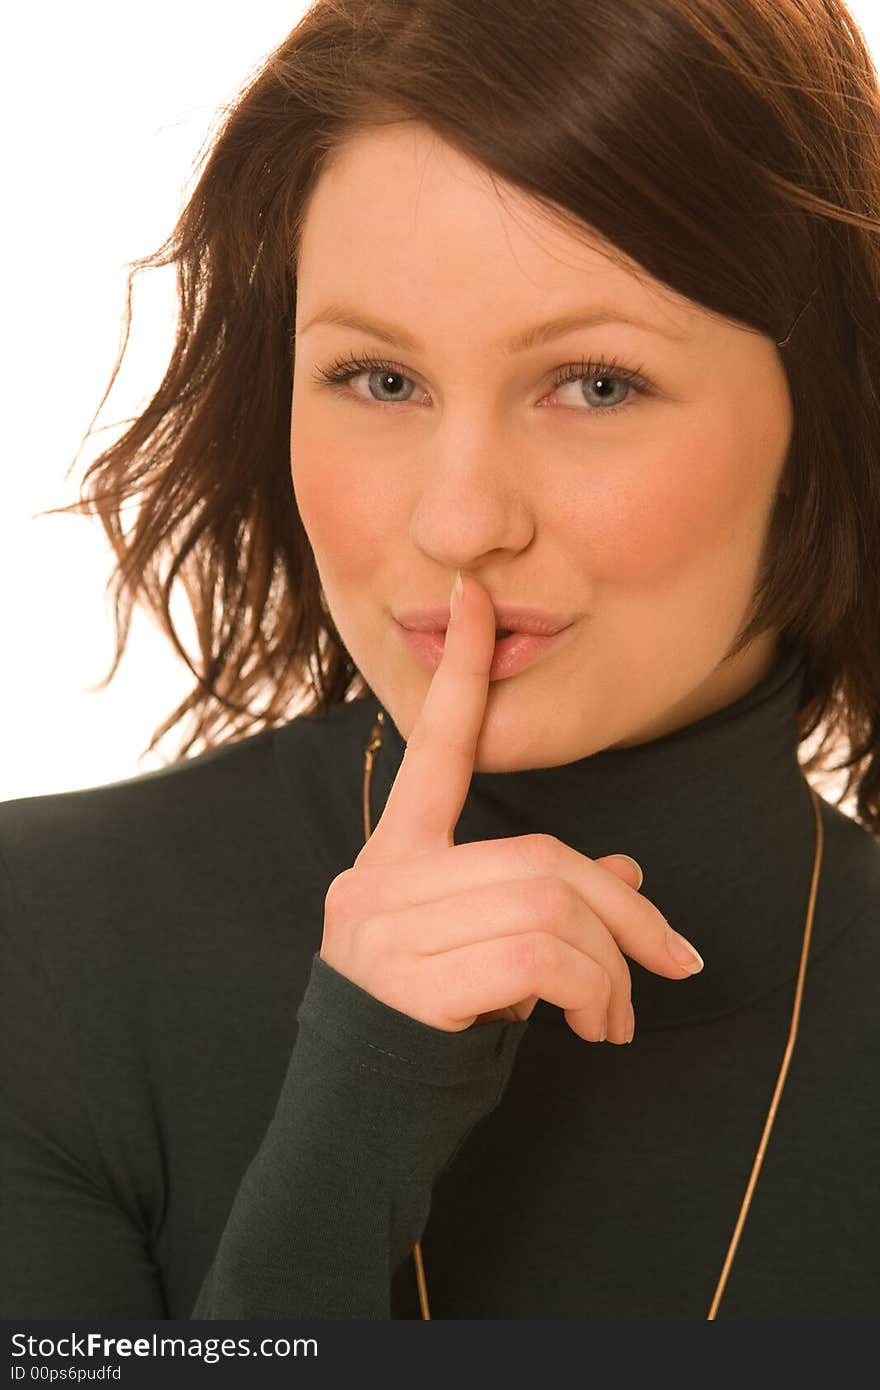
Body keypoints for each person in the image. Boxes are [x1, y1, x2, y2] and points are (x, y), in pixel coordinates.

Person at [2, 0, 879, 1321]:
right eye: (380, 380)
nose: (460, 520)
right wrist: (355, 1120)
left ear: (826, 410)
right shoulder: (39, 951)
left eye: (594, 383)